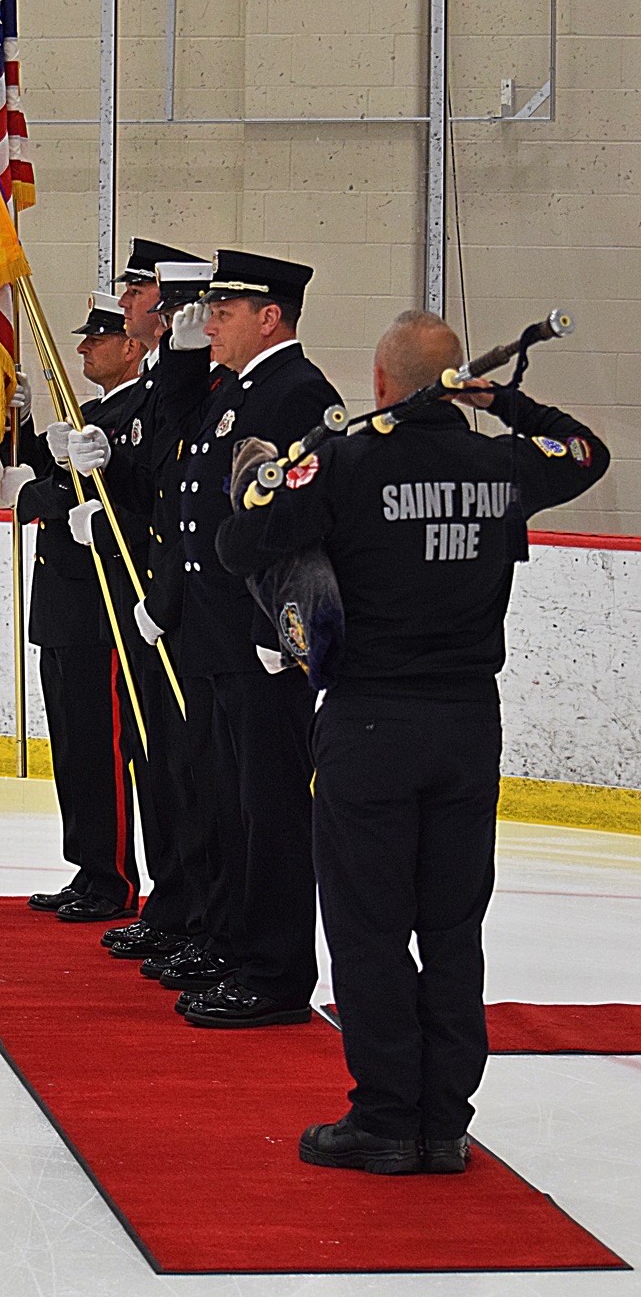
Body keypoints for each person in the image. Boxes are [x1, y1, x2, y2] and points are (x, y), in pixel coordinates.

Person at [216, 309, 610, 1171]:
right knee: (451, 930)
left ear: (382, 382)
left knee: (368, 930)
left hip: (369, 726)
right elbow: (586, 453)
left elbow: (241, 538)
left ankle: (389, 1120)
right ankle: (444, 1124)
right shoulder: (499, 462)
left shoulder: (347, 461)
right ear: (457, 386)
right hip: (468, 725)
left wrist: (274, 477)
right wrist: (508, 405)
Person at [133, 250, 344, 1028]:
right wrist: (184, 353)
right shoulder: (236, 389)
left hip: (260, 637)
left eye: (223, 312)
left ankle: (277, 972)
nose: (209, 320)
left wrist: (275, 628)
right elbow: (177, 433)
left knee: (272, 808)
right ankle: (228, 942)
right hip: (214, 631)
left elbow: (304, 522)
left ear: (270, 316)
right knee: (225, 799)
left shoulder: (300, 394)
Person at [69, 254, 219, 966]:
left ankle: (197, 913)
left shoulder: (194, 384)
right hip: (156, 601)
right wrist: (108, 466)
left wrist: (108, 519)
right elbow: (155, 485)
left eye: (136, 288)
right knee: (158, 764)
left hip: (184, 607)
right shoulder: (163, 382)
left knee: (183, 768)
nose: (125, 298)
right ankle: (173, 902)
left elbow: (187, 498)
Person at [0, 292, 146, 923]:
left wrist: (45, 495)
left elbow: (74, 496)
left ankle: (114, 877)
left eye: (99, 338)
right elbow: (34, 484)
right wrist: (22, 431)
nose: (84, 347)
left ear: (133, 347)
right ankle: (89, 867)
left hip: (100, 609)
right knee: (75, 748)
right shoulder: (89, 414)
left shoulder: (140, 414)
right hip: (61, 602)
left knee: (103, 747)